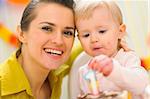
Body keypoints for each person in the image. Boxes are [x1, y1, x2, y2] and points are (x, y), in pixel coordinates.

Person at [0, 0, 82, 99]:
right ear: (21, 34)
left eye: (67, 33)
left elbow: (91, 43)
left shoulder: (56, 70)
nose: (59, 41)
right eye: (47, 28)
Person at [75, 0, 149, 99]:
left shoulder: (127, 58)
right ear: (79, 39)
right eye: (86, 35)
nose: (93, 39)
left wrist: (113, 70)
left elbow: (142, 85)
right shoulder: (84, 72)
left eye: (102, 31)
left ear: (120, 31)